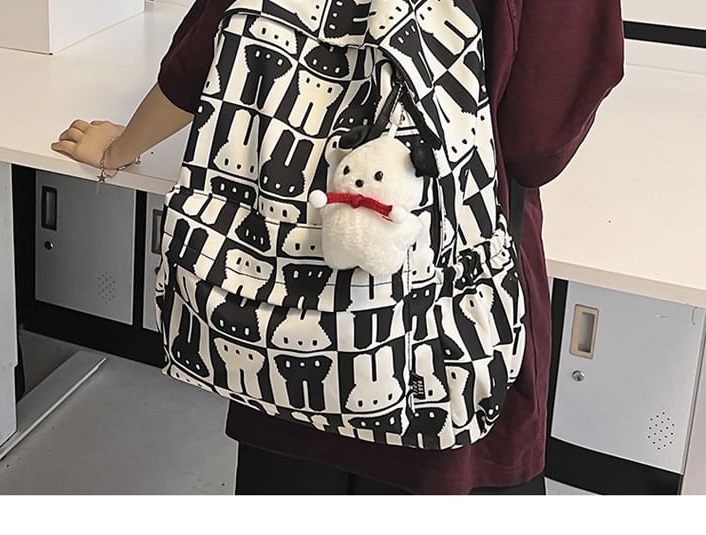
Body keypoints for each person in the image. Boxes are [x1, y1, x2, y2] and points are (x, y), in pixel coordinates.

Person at [51, 0, 625, 495]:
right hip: (442, 318)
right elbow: (535, 142)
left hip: (279, 289)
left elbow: (205, 53)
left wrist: (120, 147)